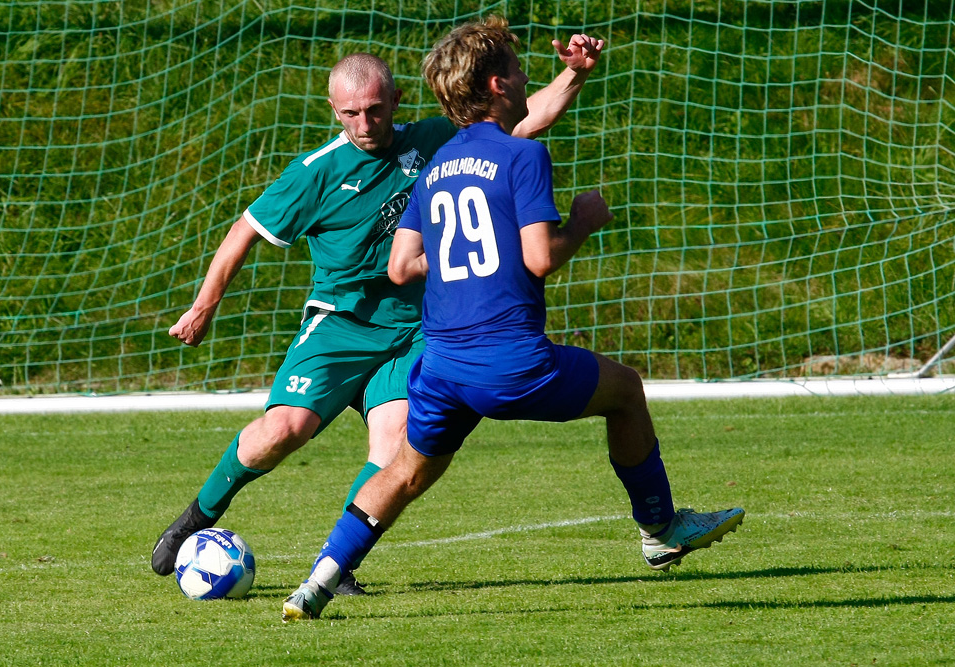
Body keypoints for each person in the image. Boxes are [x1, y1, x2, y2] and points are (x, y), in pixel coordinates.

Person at [281, 15, 745, 621]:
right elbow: (539, 258)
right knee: (627, 391)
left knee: (407, 471)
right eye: (519, 69)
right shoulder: (524, 156)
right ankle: (660, 528)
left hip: (441, 364)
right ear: (499, 86)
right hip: (508, 361)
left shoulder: (437, 166)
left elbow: (401, 266)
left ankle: (315, 584)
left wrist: (458, 261)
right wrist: (582, 221)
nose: (526, 78)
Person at [151, 34, 607, 595]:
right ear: (334, 111)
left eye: (373, 108)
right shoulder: (316, 172)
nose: (364, 123)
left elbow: (525, 116)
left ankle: (335, 565)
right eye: (350, 113)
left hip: (415, 328)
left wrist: (576, 75)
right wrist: (203, 306)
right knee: (283, 429)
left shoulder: (435, 139)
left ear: (394, 99)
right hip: (340, 325)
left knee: (393, 445)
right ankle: (197, 517)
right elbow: (245, 230)